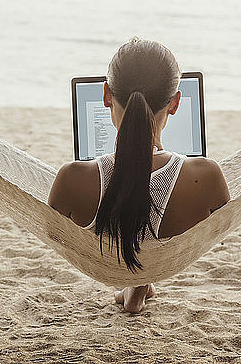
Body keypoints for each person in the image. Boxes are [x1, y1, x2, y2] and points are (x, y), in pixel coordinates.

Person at [48, 37, 230, 313]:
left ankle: (137, 285)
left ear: (107, 95)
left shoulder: (72, 179)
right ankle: (140, 283)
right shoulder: (206, 177)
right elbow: (218, 230)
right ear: (176, 103)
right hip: (163, 253)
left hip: (110, 256)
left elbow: (55, 234)